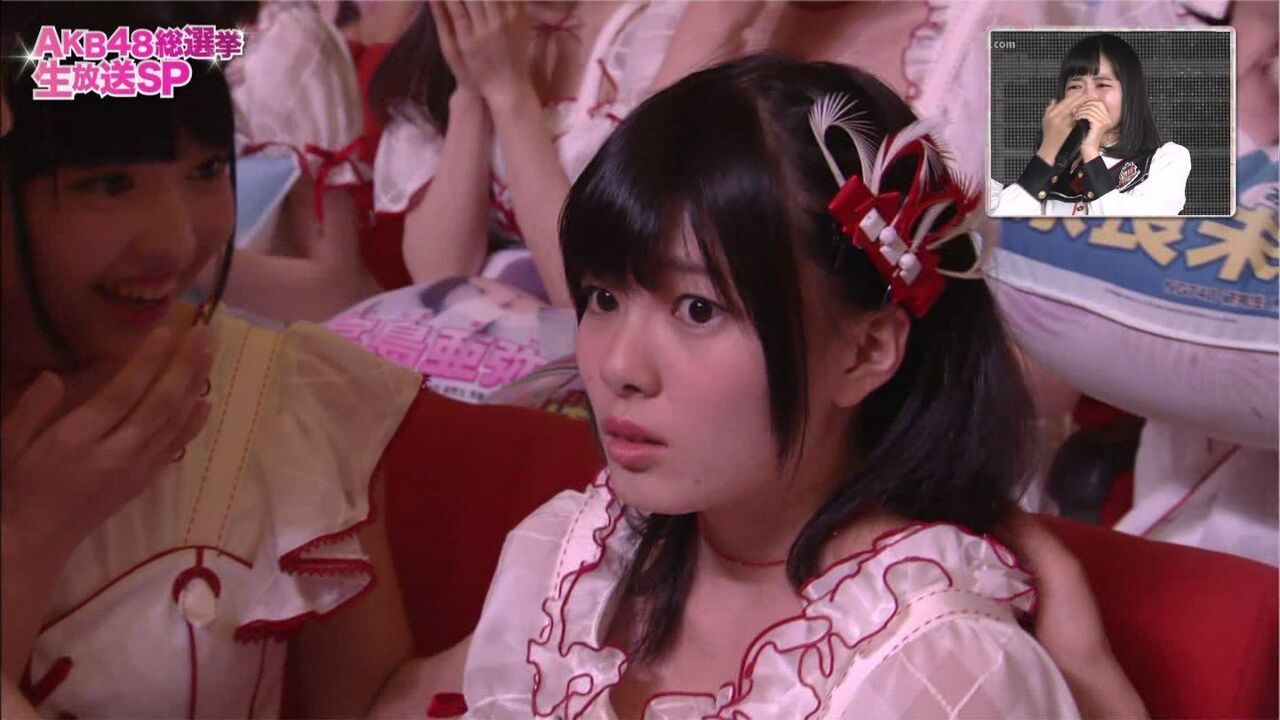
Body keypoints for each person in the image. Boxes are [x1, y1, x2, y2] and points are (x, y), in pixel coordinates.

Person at [372, 54, 1147, 719]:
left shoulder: (931, 664)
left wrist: (1088, 671)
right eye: (602, 298)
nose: (616, 368)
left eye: (697, 310)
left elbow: (1134, 321)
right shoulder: (583, 556)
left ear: (866, 349)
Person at [0, 4, 420, 716]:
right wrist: (32, 542)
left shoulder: (286, 402)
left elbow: (369, 702)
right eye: (110, 183)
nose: (176, 240)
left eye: (207, 170)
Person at [368, 0, 688, 307]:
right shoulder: (447, 41)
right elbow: (440, 276)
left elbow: (594, 295)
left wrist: (509, 93)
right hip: (489, 333)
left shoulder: (662, 32)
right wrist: (471, 89)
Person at [988, 33, 1191, 217]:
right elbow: (999, 232)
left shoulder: (1167, 159)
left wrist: (1091, 152)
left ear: (1130, 94)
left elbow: (1134, 232)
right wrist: (1047, 152)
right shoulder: (1055, 170)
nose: (1088, 97)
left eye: (1102, 85)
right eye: (1075, 86)